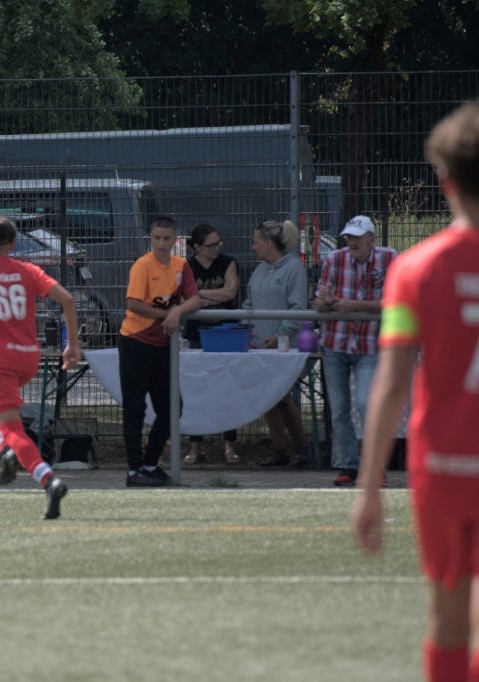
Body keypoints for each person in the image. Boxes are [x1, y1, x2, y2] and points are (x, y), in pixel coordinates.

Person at [351, 101, 479, 682]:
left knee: (448, 622)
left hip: (444, 469)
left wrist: (369, 486)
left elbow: (391, 383)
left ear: (445, 180)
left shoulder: (415, 270)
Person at [0, 214, 79, 518]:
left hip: (1, 360)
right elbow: (67, 300)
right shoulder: (29, 271)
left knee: (13, 428)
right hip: (28, 357)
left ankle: (48, 480)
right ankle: (6, 450)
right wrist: (72, 345)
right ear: (13, 244)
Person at [312, 215, 397, 486]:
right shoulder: (334, 259)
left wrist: (354, 306)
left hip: (369, 345)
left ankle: (375, 466)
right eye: (348, 237)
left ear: (371, 239)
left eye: (357, 237)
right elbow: (319, 303)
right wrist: (326, 303)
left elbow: (397, 301)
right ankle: (349, 465)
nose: (351, 242)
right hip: (335, 344)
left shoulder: (389, 258)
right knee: (339, 410)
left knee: (365, 403)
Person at [119, 215, 202, 487]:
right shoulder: (143, 265)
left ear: (175, 239)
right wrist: (166, 314)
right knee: (135, 408)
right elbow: (133, 303)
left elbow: (195, 299)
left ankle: (150, 463)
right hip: (136, 341)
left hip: (162, 346)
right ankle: (134, 470)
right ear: (150, 238)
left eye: (167, 238)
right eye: (157, 238)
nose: (162, 244)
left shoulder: (181, 265)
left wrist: (176, 312)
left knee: (172, 407)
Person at [243, 219, 309, 468]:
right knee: (269, 397)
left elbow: (297, 309)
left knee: (283, 397)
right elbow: (248, 304)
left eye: (255, 242)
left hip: (284, 347)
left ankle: (301, 450)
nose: (253, 247)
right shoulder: (259, 270)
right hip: (260, 346)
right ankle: (280, 451)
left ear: (269, 243)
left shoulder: (294, 269)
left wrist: (280, 335)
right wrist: (247, 329)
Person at [182, 224, 241, 465]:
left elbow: (230, 292)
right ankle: (195, 446)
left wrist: (200, 295)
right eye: (210, 245)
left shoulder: (228, 263)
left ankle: (230, 444)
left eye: (218, 243)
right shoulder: (187, 266)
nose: (216, 248)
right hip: (197, 334)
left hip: (225, 333)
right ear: (197, 247)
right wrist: (202, 297)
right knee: (196, 389)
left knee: (227, 388)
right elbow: (185, 297)